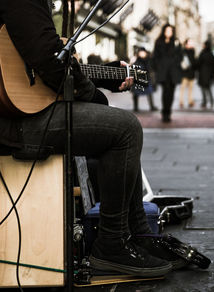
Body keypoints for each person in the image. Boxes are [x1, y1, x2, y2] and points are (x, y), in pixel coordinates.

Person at [0, 0, 187, 277]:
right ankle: (112, 244)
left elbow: (43, 65)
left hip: (18, 115)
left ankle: (139, 235)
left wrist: (105, 77)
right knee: (125, 128)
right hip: (13, 122)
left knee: (115, 122)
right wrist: (91, 94)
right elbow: (49, 60)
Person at [152, 23, 182, 123]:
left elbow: (180, 56)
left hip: (173, 72)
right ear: (164, 31)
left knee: (171, 93)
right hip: (163, 72)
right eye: (167, 30)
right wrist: (157, 67)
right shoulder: (159, 42)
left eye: (171, 31)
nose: (169, 32)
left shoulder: (176, 42)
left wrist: (176, 64)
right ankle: (164, 113)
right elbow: (155, 56)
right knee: (165, 92)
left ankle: (168, 112)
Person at [131, 47, 158, 112]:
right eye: (141, 52)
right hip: (138, 80)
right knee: (135, 93)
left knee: (150, 92)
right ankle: (135, 107)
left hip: (146, 79)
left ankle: (152, 106)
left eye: (143, 52)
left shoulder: (149, 60)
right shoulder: (136, 60)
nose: (142, 54)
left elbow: (151, 69)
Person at [198, 40, 214, 108]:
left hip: (202, 74)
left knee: (203, 89)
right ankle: (211, 102)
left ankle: (205, 102)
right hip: (209, 75)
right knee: (209, 89)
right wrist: (213, 74)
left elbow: (198, 63)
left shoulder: (202, 53)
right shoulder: (211, 54)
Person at [178, 38, 196, 108]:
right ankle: (181, 101)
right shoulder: (183, 51)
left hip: (191, 73)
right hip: (184, 73)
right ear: (186, 44)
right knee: (182, 88)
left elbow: (194, 62)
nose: (191, 44)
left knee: (191, 89)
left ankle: (190, 101)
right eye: (189, 43)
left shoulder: (193, 51)